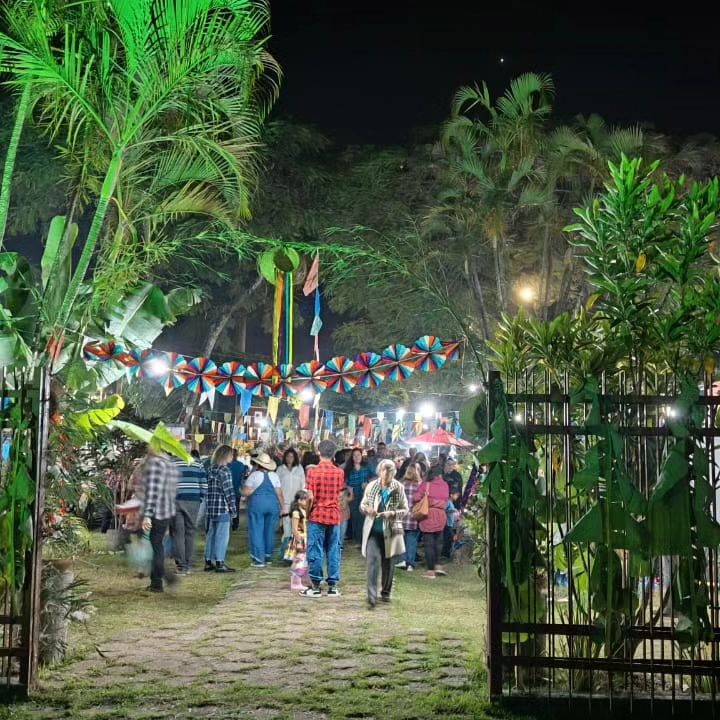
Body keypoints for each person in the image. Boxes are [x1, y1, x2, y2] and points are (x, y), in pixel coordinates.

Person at [360, 459, 408, 608]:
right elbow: (363, 504)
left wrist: (392, 513)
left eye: (390, 472)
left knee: (389, 564)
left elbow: (405, 509)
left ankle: (386, 592)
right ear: (379, 472)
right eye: (384, 472)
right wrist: (368, 509)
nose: (387, 476)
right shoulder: (372, 486)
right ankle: (372, 596)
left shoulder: (398, 488)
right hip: (373, 531)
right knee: (372, 562)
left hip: (390, 531)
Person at [302, 440, 346, 598]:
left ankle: (315, 585)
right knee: (334, 549)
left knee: (315, 549)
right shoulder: (339, 472)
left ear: (318, 452)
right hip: (334, 514)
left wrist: (307, 514)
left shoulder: (312, 472)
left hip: (318, 513)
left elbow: (310, 497)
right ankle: (333, 586)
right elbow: (339, 495)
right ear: (333, 453)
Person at [137, 448, 178, 592]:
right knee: (157, 545)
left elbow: (152, 492)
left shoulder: (155, 464)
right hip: (166, 511)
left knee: (156, 547)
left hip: (156, 511)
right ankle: (157, 581)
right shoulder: (170, 463)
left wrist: (148, 515)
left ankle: (162, 578)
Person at [171, 442, 207, 575]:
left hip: (176, 500)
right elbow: (204, 484)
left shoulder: (171, 463)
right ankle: (188, 563)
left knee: (178, 533)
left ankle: (181, 566)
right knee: (190, 532)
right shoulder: (198, 464)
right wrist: (200, 498)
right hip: (193, 500)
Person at [242, 453, 283, 568]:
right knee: (269, 531)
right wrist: (283, 507)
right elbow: (279, 493)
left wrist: (243, 491)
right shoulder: (274, 476)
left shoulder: (254, 475)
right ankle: (268, 556)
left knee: (256, 530)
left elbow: (247, 492)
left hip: (257, 505)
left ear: (258, 464)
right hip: (272, 505)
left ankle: (258, 559)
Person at [204, 445, 237, 573]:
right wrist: (233, 510)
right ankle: (220, 561)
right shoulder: (225, 471)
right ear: (225, 455)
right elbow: (228, 492)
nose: (232, 457)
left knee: (211, 535)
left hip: (211, 507)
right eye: (231, 455)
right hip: (222, 507)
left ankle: (208, 560)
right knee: (222, 536)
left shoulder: (210, 469)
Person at [414, 465, 450, 579]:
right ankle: (437, 565)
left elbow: (415, 497)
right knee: (438, 542)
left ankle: (430, 571)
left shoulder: (426, 485)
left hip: (428, 514)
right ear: (440, 475)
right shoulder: (445, 485)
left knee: (429, 543)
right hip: (441, 515)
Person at [344, 449, 374, 546]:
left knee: (364, 518)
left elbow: (376, 477)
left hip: (365, 495)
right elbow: (345, 483)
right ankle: (358, 540)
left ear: (362, 456)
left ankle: (365, 539)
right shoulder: (348, 469)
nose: (357, 457)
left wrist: (368, 483)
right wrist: (348, 488)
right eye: (355, 455)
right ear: (352, 457)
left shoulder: (367, 467)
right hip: (353, 496)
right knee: (356, 518)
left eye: (358, 455)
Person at [396, 462, 422, 571]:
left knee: (401, 539)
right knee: (412, 540)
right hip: (414, 516)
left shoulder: (401, 484)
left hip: (402, 516)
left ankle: (402, 560)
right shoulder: (420, 485)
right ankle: (410, 563)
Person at [277, 448, 306, 541]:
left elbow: (303, 484)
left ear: (295, 458)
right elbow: (277, 485)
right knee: (286, 527)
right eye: (288, 456)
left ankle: (296, 548)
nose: (289, 458)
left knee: (296, 526)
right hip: (284, 502)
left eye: (292, 457)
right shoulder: (280, 469)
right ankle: (286, 547)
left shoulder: (299, 468)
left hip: (296, 502)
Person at [289, 490, 309, 591]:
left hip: (305, 537)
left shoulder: (303, 510)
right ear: (299, 500)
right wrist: (299, 542)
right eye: (304, 499)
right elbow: (294, 529)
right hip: (300, 538)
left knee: (304, 560)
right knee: (299, 560)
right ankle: (296, 582)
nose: (306, 502)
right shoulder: (296, 512)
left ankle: (303, 580)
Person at [229, 449, 247, 530]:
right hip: (237, 490)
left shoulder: (227, 465)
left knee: (227, 508)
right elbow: (243, 478)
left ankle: (229, 523)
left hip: (228, 490)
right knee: (236, 507)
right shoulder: (241, 465)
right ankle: (235, 524)